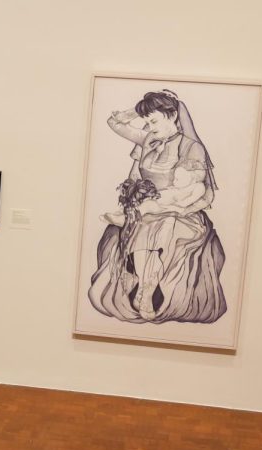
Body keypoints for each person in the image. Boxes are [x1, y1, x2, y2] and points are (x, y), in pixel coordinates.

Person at [89, 90, 226, 324]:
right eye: (147, 122)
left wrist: (166, 205)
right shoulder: (148, 139)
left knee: (161, 223)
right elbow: (114, 122)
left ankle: (147, 288)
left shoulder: (191, 147)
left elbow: (193, 192)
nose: (150, 127)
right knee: (145, 222)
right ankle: (145, 286)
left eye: (154, 121)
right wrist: (143, 107)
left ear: (172, 115)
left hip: (181, 212)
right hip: (147, 209)